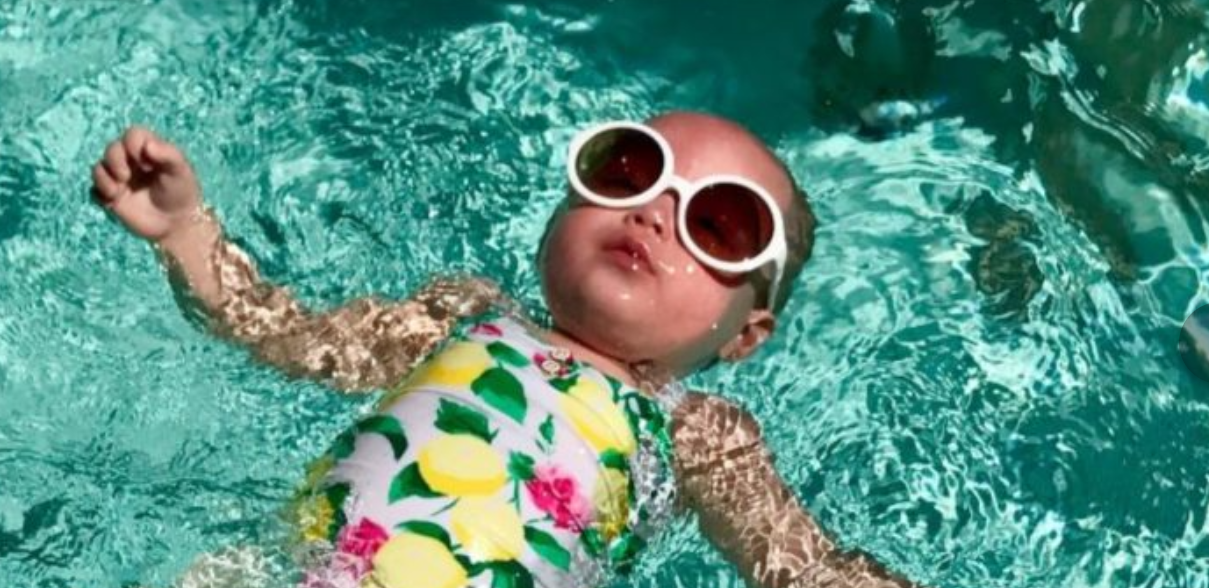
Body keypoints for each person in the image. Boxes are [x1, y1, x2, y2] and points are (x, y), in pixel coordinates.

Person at [90, 111, 922, 588]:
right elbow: (286, 336)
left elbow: (804, 569)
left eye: (719, 223)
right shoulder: (461, 315)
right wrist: (185, 231)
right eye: (627, 172)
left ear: (745, 334)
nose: (655, 213)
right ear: (558, 216)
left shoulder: (700, 431)